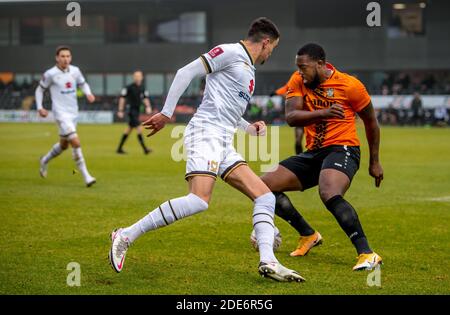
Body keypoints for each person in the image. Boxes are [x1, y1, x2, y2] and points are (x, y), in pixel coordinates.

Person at [108, 17, 304, 282]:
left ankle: (268, 261)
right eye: (273, 48)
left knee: (266, 197)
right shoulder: (230, 52)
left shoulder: (248, 69)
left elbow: (230, 113)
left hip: (223, 139)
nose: (270, 54)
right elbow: (185, 72)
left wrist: (249, 129)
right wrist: (167, 113)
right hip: (205, 133)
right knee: (199, 200)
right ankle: (126, 235)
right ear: (266, 42)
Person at [261, 43, 384, 271]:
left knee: (328, 192)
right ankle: (308, 235)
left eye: (304, 67)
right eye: (297, 67)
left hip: (343, 148)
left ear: (320, 64)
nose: (300, 72)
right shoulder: (298, 80)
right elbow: (292, 117)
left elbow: (371, 122)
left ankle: (367, 253)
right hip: (314, 152)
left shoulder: (350, 85)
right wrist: (324, 113)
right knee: (263, 187)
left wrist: (374, 161)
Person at [36, 45, 96, 187]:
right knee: (75, 142)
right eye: (62, 56)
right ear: (57, 58)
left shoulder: (75, 71)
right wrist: (39, 107)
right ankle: (86, 176)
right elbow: (39, 90)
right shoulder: (50, 74)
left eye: (68, 56)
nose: (65, 59)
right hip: (60, 113)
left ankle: (44, 160)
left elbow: (83, 83)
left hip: (73, 113)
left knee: (64, 145)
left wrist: (88, 93)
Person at [116, 70, 153, 154]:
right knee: (139, 128)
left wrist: (148, 107)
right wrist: (120, 110)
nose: (137, 77)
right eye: (136, 76)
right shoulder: (129, 87)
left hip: (137, 110)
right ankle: (145, 149)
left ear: (142, 77)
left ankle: (119, 149)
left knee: (128, 130)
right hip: (131, 110)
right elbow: (122, 98)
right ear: (133, 77)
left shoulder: (142, 87)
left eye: (139, 76)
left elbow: (145, 98)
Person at [271, 75, 304, 154]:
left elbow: (283, 91)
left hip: (307, 113)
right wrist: (275, 93)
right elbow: (284, 89)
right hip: (302, 114)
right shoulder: (296, 79)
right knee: (298, 139)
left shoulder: (310, 79)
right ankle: (299, 156)